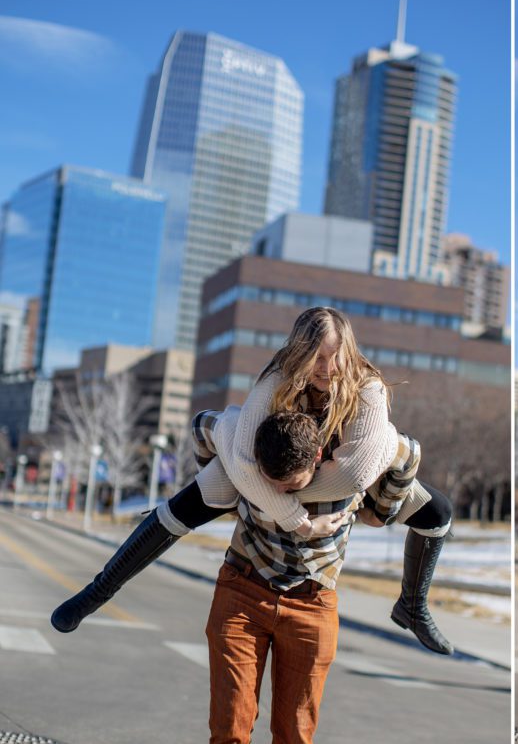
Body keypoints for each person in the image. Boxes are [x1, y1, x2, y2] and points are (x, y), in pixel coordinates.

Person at [52, 306, 455, 655]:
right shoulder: (276, 379)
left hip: (348, 480)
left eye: (335, 357)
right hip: (271, 468)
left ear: (348, 352)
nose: (327, 368)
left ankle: (413, 604)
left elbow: (354, 474)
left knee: (438, 511)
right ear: (298, 353)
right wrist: (293, 514)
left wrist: (265, 490)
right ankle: (100, 589)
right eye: (316, 357)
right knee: (199, 496)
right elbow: (244, 464)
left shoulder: (367, 389)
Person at [206, 408, 352, 743]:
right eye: (271, 485)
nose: (280, 494)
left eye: (291, 484)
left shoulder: (350, 464)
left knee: (295, 736)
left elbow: (407, 453)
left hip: (312, 603)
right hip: (242, 590)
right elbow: (204, 423)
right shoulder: (251, 452)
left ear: (317, 456)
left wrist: (382, 510)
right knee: (229, 730)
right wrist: (221, 488)